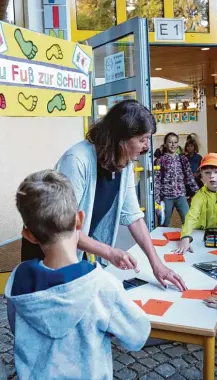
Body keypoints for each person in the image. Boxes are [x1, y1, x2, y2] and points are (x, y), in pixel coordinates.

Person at [21, 100, 186, 291]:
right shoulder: (76, 161)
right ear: (121, 138)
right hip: (46, 248)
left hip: (72, 249)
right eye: (142, 140)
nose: (146, 147)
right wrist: (109, 252)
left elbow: (134, 217)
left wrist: (157, 264)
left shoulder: (124, 163)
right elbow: (61, 228)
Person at [5, 170, 151, 380]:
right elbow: (137, 335)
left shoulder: (18, 279)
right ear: (80, 220)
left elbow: (16, 326)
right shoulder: (102, 285)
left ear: (29, 235)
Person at [176, 153, 217, 253]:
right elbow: (191, 216)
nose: (212, 176)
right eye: (207, 172)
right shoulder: (200, 196)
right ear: (201, 175)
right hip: (204, 234)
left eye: (216, 172)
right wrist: (185, 236)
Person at [154, 132, 199, 227]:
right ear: (165, 144)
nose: (173, 145)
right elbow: (157, 181)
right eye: (170, 142)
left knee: (188, 222)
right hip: (166, 196)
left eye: (175, 142)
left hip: (181, 195)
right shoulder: (160, 160)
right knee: (164, 224)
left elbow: (190, 176)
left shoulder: (183, 159)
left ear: (178, 144)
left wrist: (197, 191)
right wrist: (157, 200)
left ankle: (186, 240)